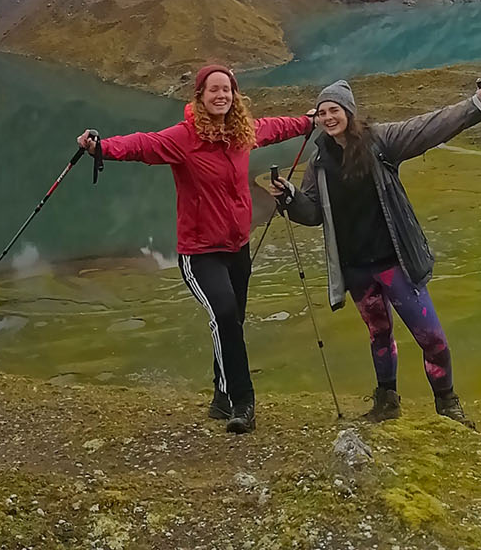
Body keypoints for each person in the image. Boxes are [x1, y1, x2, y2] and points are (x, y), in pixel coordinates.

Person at [82, 64, 312, 434]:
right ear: (200, 97)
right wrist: (102, 147)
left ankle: (221, 399)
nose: (221, 95)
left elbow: (276, 127)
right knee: (224, 313)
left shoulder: (242, 132)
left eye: (227, 90)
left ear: (234, 95)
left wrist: (307, 121)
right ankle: (243, 401)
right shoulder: (183, 138)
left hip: (237, 247)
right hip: (199, 253)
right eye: (214, 90)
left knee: (231, 322)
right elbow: (144, 145)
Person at [266, 78, 481, 429]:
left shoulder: (380, 141)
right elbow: (312, 214)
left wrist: (474, 105)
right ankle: (387, 402)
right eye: (322, 112)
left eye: (334, 110)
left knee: (432, 339)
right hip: (357, 268)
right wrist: (291, 197)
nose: (328, 117)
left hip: (394, 261)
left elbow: (428, 128)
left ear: (348, 112)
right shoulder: (319, 162)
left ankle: (447, 404)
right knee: (379, 335)